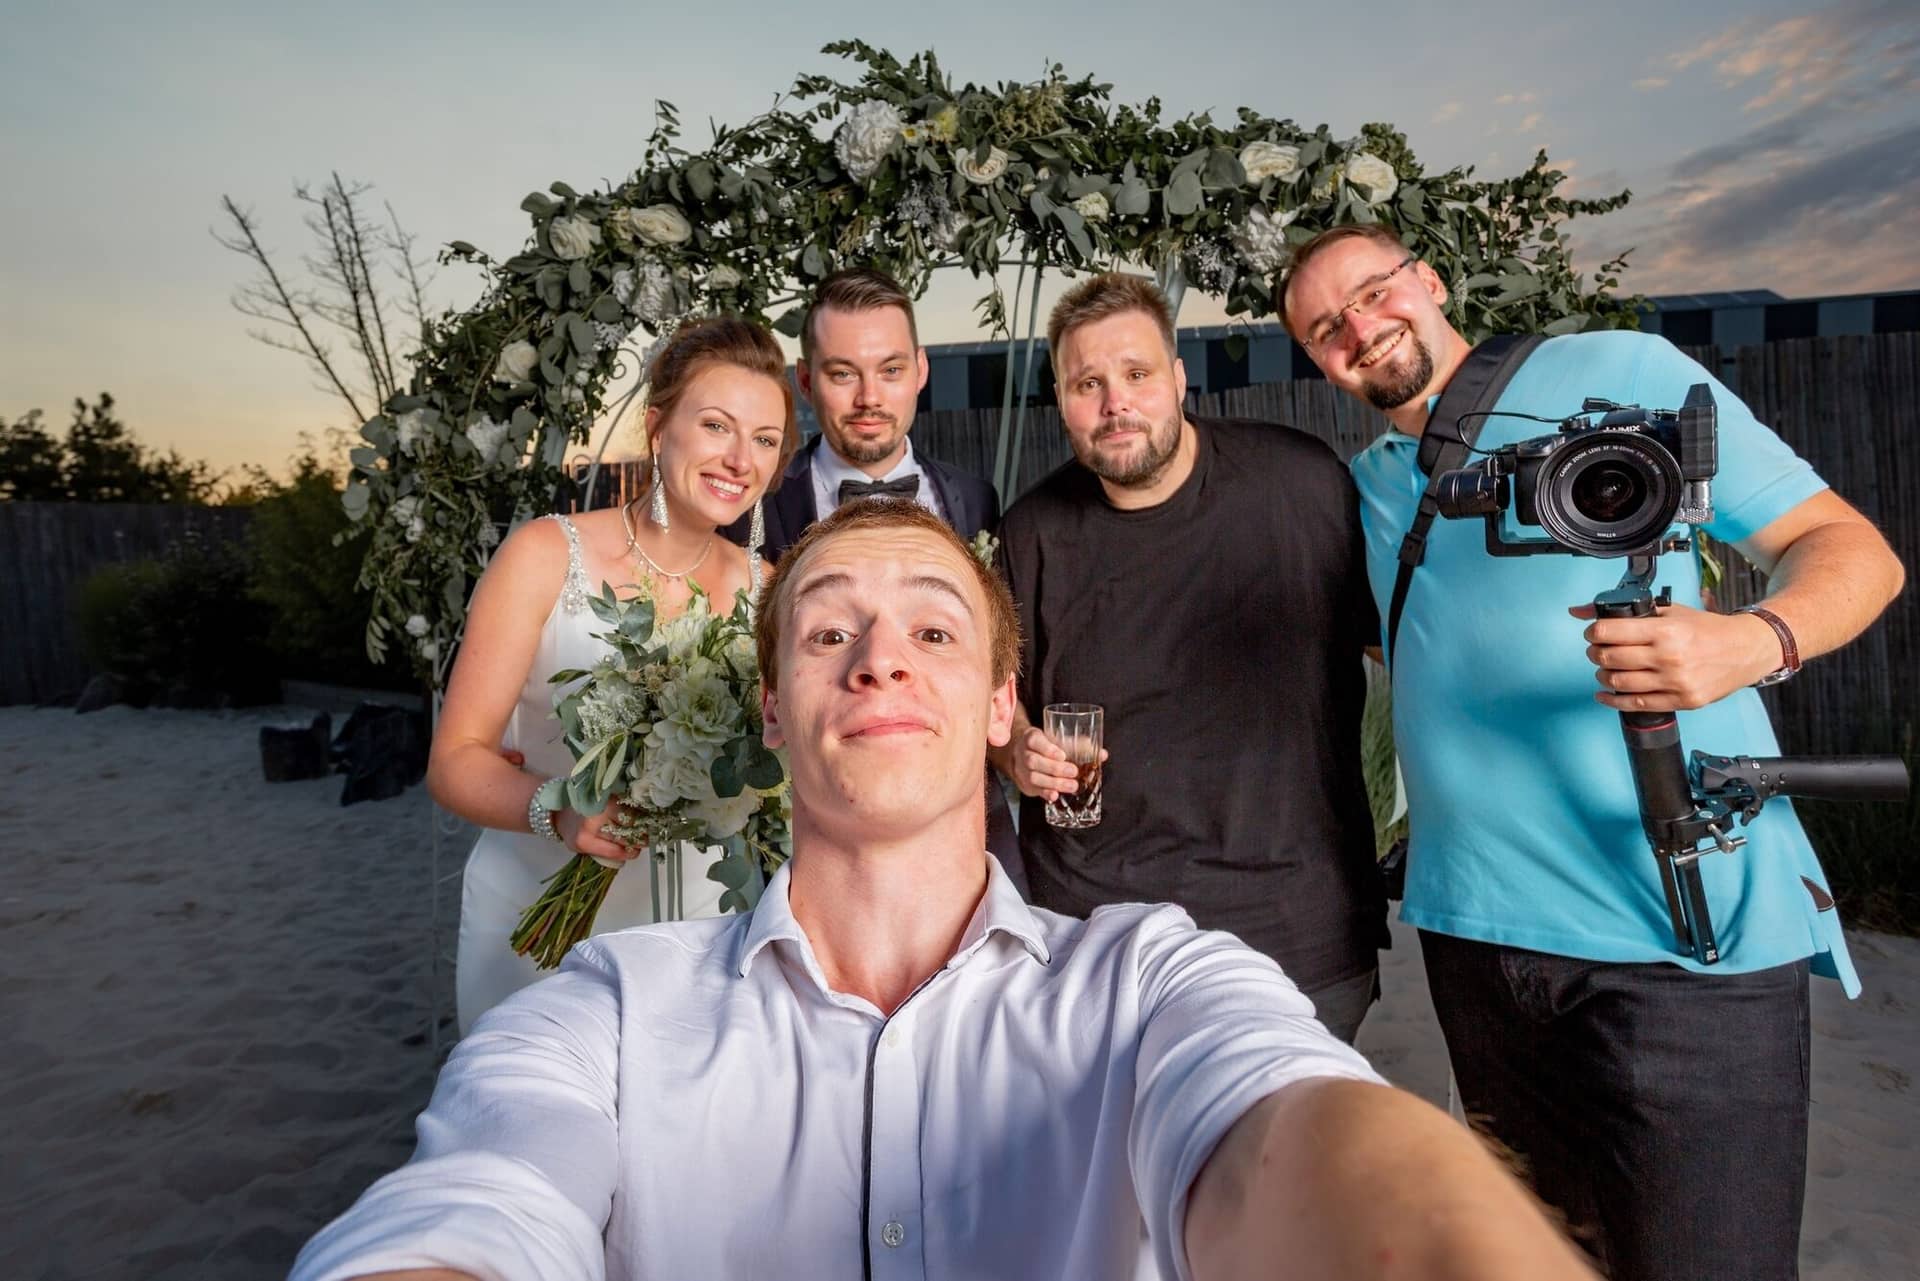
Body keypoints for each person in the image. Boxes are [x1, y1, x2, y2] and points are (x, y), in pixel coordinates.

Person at [292, 500, 1598, 1281]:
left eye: (932, 628)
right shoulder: (612, 1010)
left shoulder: (1151, 981)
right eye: (824, 632)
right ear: (773, 709)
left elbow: (1295, 1140)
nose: (876, 659)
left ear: (999, 704)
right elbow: (487, 1199)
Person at [1278, 222, 1906, 1281]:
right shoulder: (1372, 488)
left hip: (1683, 938)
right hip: (1479, 945)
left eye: (1374, 293)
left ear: (1428, 281)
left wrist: (1751, 640)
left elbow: (1854, 551)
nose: (1360, 329)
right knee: (1536, 1263)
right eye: (1324, 329)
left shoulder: (1618, 368)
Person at [993, 272, 1386, 1043]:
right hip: (1098, 934)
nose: (1116, 403)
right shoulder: (1029, 532)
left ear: (1177, 378)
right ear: (1061, 399)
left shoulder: (1300, 484)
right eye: (1087, 383)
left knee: (1284, 1163)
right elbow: (995, 707)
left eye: (1137, 374)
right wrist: (1016, 752)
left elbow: (1409, 645)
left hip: (1293, 928)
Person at [430, 316, 797, 1035]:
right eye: (717, 425)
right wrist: (560, 809)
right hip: (540, 923)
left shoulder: (771, 590)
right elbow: (453, 763)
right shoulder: (542, 556)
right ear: (659, 429)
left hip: (705, 922)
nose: (739, 458)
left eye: (765, 439)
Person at [725, 265, 1022, 887]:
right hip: (800, 847)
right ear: (806, 381)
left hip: (971, 835)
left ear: (920, 371)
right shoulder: (751, 516)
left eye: (889, 371)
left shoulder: (976, 500)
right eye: (842, 374)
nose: (869, 398)